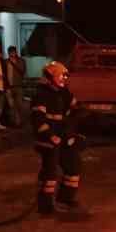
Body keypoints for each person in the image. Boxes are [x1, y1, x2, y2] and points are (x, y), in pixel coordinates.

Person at [32, 60, 83, 214]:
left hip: (63, 137)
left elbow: (73, 110)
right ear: (50, 77)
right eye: (61, 76)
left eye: (65, 76)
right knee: (50, 173)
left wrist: (71, 133)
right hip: (47, 140)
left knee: (74, 167)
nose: (64, 79)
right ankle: (45, 205)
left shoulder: (64, 93)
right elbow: (38, 121)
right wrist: (50, 136)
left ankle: (66, 199)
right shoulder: (41, 95)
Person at [5, 45, 27, 127]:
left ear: (15, 52)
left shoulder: (21, 61)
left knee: (19, 105)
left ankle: (19, 122)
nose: (11, 54)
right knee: (11, 105)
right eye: (10, 52)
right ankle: (14, 122)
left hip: (18, 86)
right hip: (8, 87)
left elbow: (22, 71)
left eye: (13, 52)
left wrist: (14, 63)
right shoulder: (5, 61)